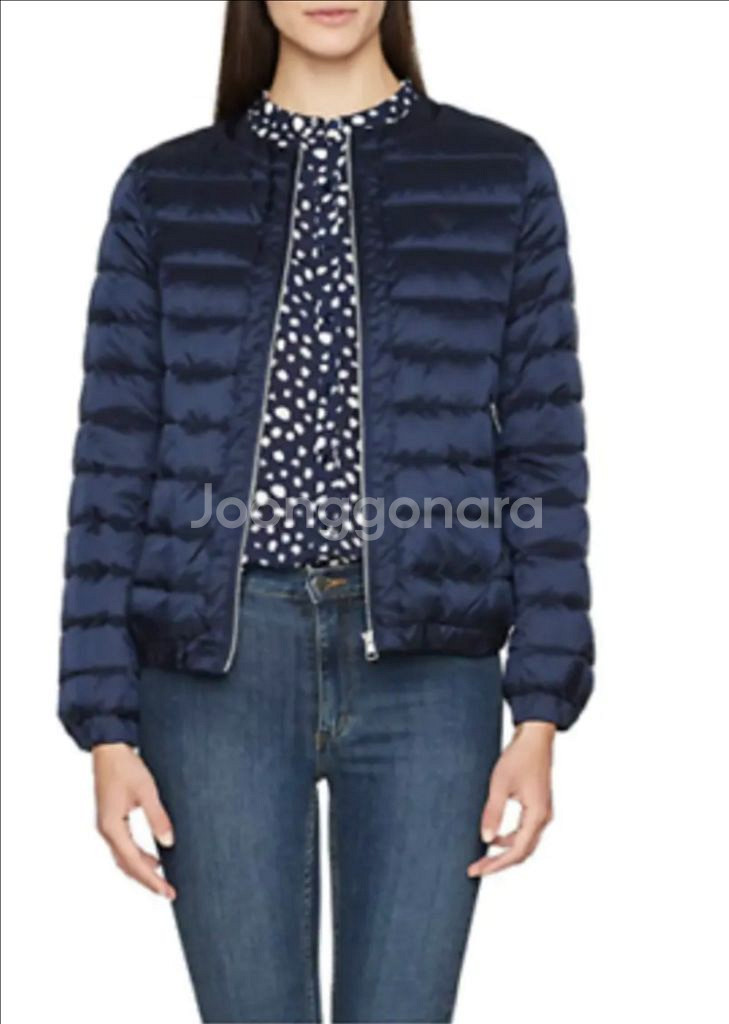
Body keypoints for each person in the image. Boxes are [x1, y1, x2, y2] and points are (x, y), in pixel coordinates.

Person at [59, 2, 593, 1021]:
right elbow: (113, 461)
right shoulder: (165, 190)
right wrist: (105, 727)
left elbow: (543, 453)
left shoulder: (501, 175)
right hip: (215, 676)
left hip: (430, 674)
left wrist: (540, 709)